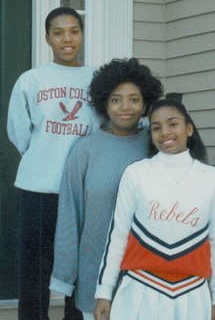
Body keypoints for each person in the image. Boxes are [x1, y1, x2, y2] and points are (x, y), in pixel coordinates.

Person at [49, 58, 164, 320]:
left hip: (150, 276)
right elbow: (70, 215)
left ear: (145, 103)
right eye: (116, 99)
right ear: (104, 104)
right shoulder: (86, 149)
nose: (126, 107)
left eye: (134, 99)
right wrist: (65, 275)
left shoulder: (157, 143)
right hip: (96, 276)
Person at [94, 99, 215, 320]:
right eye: (156, 127)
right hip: (139, 290)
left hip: (192, 294)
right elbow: (117, 236)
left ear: (188, 129)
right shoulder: (136, 173)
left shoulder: (212, 178)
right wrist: (104, 292)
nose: (165, 132)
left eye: (173, 124)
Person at [7, 7, 101, 320]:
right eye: (58, 32)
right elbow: (19, 133)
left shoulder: (97, 80)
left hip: (82, 191)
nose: (67, 39)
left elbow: (103, 130)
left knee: (80, 270)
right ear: (47, 38)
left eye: (74, 30)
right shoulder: (30, 80)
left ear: (82, 35)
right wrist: (44, 158)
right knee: (34, 272)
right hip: (37, 188)